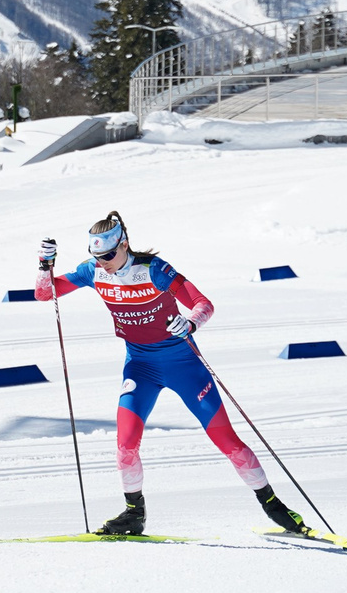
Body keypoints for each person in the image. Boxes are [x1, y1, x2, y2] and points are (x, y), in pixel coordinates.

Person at [37, 210, 312, 538]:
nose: (104, 262)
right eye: (97, 256)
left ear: (124, 244)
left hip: (184, 366)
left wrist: (191, 323)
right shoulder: (93, 272)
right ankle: (133, 514)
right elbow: (45, 293)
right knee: (125, 444)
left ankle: (274, 506)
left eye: (109, 254)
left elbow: (202, 302)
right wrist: (44, 265)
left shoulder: (154, 270)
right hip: (140, 367)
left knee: (226, 440)